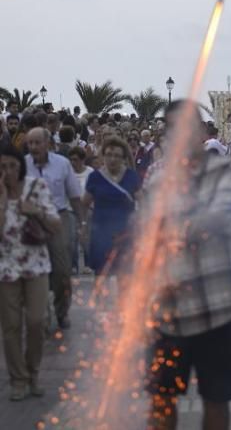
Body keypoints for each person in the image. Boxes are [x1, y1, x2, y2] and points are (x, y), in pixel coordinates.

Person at [145, 100, 231, 430]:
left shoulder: (225, 170)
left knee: (216, 399)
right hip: (167, 313)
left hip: (215, 308)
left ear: (202, 132)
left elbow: (217, 218)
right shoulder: (159, 182)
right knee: (161, 398)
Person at [0, 145, 61, 400]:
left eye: (12, 165)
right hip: (5, 269)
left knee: (36, 322)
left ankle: (33, 372)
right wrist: (3, 202)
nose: (7, 172)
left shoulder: (36, 187)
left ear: (20, 166)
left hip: (35, 266)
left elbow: (55, 225)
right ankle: (18, 379)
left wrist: (33, 210)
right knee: (11, 326)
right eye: (2, 167)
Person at [25, 128, 82, 329]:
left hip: (59, 217)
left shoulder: (62, 164)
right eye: (30, 143)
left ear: (48, 143)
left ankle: (61, 310)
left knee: (62, 271)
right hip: (30, 220)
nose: (33, 147)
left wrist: (82, 224)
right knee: (33, 272)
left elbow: (74, 196)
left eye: (37, 143)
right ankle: (42, 313)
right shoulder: (22, 165)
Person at [84, 137, 141, 295]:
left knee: (125, 273)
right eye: (108, 155)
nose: (112, 159)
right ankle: (101, 309)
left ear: (123, 158)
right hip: (100, 231)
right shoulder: (95, 177)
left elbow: (142, 200)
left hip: (125, 232)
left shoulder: (131, 176)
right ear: (103, 156)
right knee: (101, 274)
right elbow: (85, 202)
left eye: (117, 155)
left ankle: (125, 310)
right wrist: (83, 226)